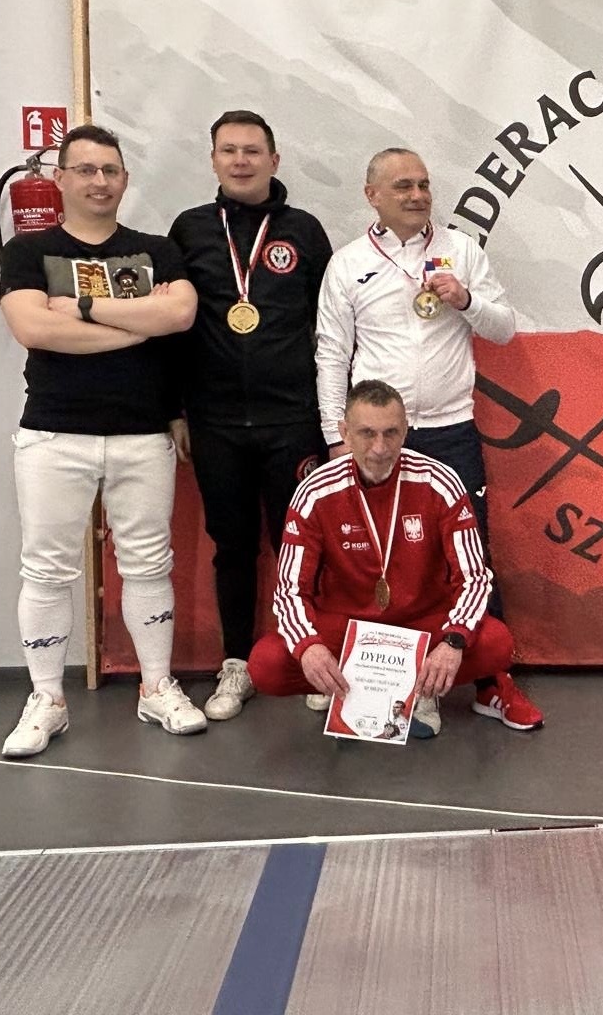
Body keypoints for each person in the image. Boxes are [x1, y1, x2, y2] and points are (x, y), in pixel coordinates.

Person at [0, 124, 205, 757]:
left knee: (148, 564)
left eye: (110, 170)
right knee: (46, 569)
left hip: (142, 434)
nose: (99, 181)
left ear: (125, 179)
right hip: (54, 432)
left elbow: (179, 314)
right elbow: (35, 329)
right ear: (60, 179)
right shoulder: (29, 251)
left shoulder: (155, 249)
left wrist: (83, 309)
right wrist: (138, 326)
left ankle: (156, 686)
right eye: (85, 170)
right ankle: (47, 699)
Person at [315, 148, 541, 729]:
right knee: (375, 558)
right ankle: (372, 681)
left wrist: (465, 299)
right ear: (372, 195)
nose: (417, 195)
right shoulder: (348, 263)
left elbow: (503, 328)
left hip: (449, 430)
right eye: (402, 186)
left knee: (472, 558)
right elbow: (332, 354)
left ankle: (492, 682)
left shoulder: (461, 251)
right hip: (375, 441)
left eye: (423, 184)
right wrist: (336, 436)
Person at [168, 110, 333, 721]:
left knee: (301, 545)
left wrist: (331, 418)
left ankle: (311, 660)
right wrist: (175, 410)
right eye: (229, 150)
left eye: (252, 150)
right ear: (213, 160)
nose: (241, 161)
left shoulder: (304, 231)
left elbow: (333, 328)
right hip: (214, 422)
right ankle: (236, 663)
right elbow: (172, 329)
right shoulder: (188, 230)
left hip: (292, 420)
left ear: (274, 159)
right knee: (232, 547)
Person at [247, 380, 528, 737]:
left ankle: (417, 688)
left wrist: (453, 641)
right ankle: (358, 687)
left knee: (497, 643)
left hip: (423, 624)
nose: (380, 448)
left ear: (405, 431)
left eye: (390, 433)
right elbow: (290, 590)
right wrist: (309, 648)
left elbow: (474, 578)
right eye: (367, 433)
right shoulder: (315, 492)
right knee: (266, 665)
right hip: (349, 630)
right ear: (345, 433)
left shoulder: (440, 481)